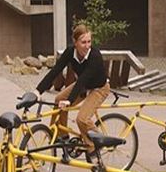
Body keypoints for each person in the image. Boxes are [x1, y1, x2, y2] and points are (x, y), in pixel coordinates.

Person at [33, 24, 110, 157]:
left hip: (99, 87)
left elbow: (83, 79)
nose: (87, 46)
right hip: (83, 86)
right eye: (83, 42)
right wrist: (37, 91)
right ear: (75, 42)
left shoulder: (95, 55)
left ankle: (95, 144)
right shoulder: (70, 52)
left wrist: (69, 100)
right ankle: (63, 137)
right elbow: (55, 71)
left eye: (89, 42)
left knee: (82, 119)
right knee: (58, 100)